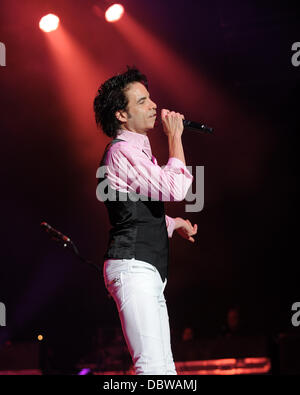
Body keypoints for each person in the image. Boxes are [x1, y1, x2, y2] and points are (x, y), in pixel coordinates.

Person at [94, 66, 198, 375]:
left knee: (164, 370)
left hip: (145, 268)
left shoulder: (138, 153)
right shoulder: (121, 151)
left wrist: (173, 222)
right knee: (152, 369)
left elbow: (133, 211)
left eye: (150, 98)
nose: (154, 105)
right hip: (132, 266)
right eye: (142, 101)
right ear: (121, 115)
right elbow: (175, 187)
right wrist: (175, 137)